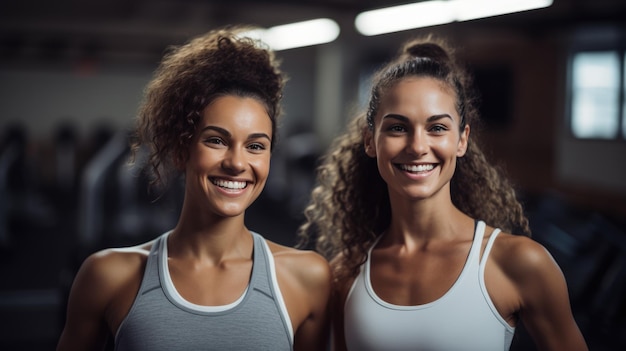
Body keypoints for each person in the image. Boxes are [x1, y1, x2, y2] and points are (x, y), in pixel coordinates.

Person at [298, 36, 587, 351]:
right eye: (397, 128)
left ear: (462, 140)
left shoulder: (518, 262)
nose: (418, 147)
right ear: (370, 140)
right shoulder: (347, 273)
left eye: (436, 128)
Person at [57, 26, 331, 351]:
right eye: (216, 140)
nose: (236, 162)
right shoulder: (107, 276)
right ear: (179, 151)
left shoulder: (308, 277)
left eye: (256, 146)